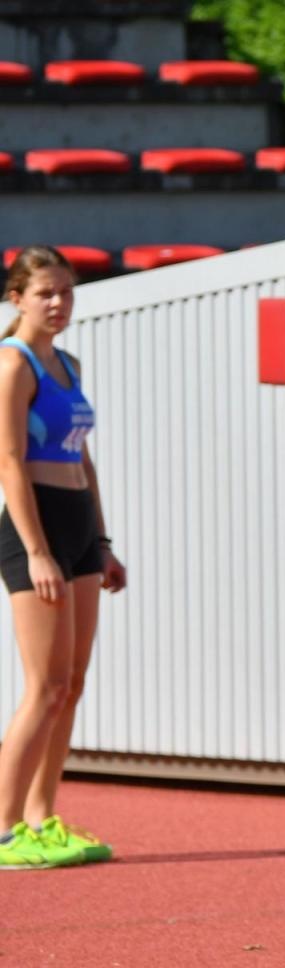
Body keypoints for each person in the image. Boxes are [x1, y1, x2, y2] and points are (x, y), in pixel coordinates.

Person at [0, 245, 127, 870]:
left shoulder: (67, 363)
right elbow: (10, 462)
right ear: (16, 296)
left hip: (77, 528)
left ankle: (40, 816)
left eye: (67, 293)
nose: (58, 303)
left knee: (71, 685)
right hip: (35, 531)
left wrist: (101, 544)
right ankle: (4, 831)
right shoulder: (12, 364)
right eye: (46, 292)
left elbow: (81, 457)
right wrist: (37, 552)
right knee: (43, 686)